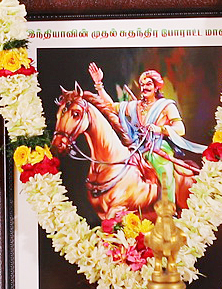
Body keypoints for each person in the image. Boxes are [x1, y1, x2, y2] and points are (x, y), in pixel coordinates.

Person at [81, 63, 202, 209]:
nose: (144, 87)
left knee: (163, 169)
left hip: (158, 148)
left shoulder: (166, 106)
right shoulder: (135, 106)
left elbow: (180, 129)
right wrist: (99, 85)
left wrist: (159, 129)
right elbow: (110, 106)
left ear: (156, 87)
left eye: (149, 84)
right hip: (137, 148)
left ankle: (168, 209)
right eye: (142, 84)